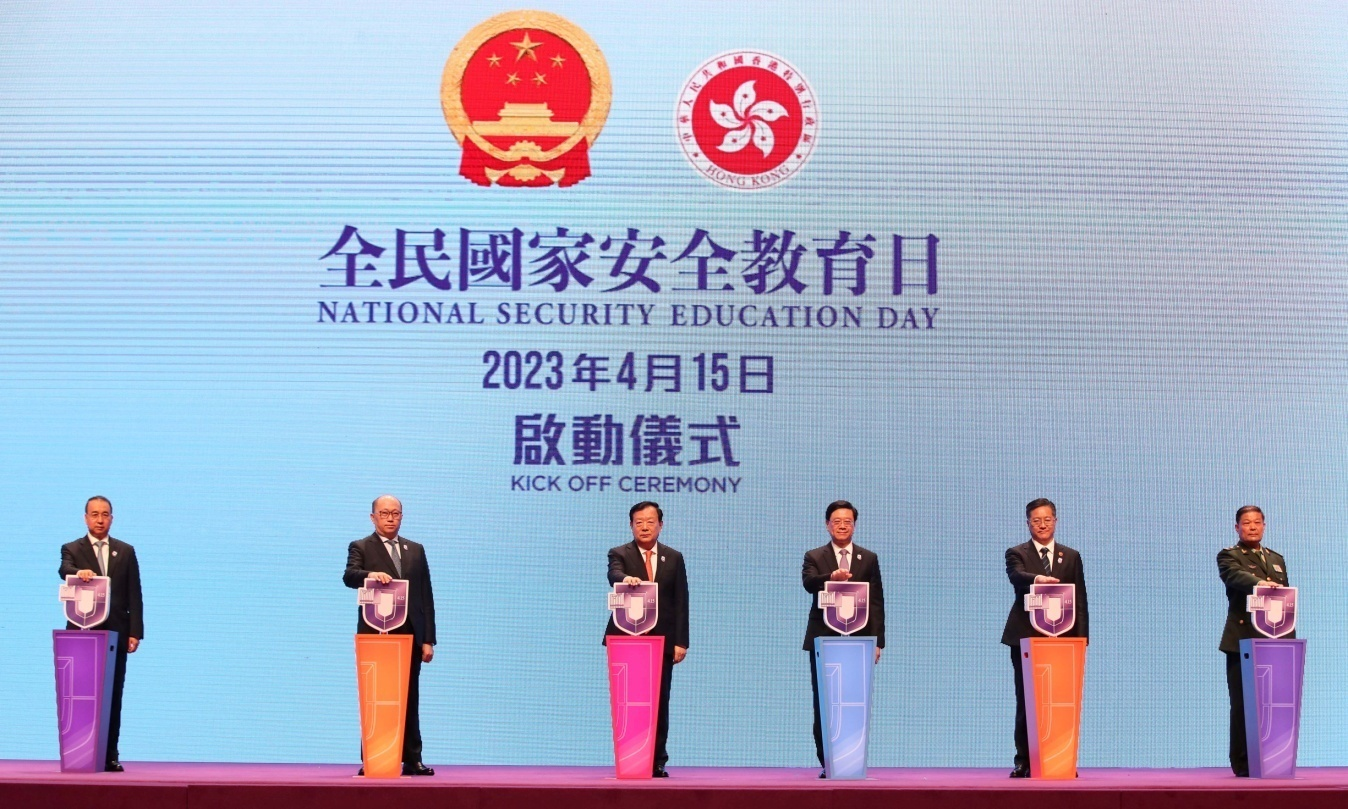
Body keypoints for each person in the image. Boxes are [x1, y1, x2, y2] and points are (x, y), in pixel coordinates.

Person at [343, 495, 436, 776]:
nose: (390, 518)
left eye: (395, 513)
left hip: (409, 636)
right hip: (376, 636)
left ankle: (413, 759)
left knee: (409, 697)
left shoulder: (415, 549)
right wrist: (371, 574)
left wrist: (428, 639)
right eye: (384, 513)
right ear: (373, 517)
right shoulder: (361, 546)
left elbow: (425, 596)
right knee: (376, 698)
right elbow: (349, 576)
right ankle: (375, 759)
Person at [1002, 497, 1089, 778]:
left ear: (1056, 521)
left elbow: (1079, 598)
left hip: (1063, 641)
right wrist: (1038, 580)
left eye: (1047, 520)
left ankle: (1059, 760)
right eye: (1036, 520)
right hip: (1026, 638)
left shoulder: (1071, 556)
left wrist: (1082, 639)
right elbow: (1016, 577)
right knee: (1027, 700)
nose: (1042, 525)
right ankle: (1024, 760)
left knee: (1060, 701)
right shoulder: (1016, 553)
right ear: (1028, 523)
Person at [58, 496, 144, 772]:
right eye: (94, 514)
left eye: (105, 514)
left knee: (112, 694)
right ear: (85, 518)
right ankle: (80, 754)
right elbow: (64, 570)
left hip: (116, 632)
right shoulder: (72, 548)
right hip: (82, 635)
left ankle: (109, 755)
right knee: (82, 696)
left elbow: (134, 593)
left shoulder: (125, 551)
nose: (99, 519)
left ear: (112, 519)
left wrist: (135, 631)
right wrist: (78, 572)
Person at [604, 501, 689, 777]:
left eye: (650, 522)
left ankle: (657, 761)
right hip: (627, 641)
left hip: (662, 641)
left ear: (660, 525)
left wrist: (681, 641)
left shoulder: (673, 557)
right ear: (631, 525)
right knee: (628, 702)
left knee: (659, 702)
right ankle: (631, 759)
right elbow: (613, 574)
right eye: (638, 522)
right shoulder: (619, 553)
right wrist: (625, 578)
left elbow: (681, 600)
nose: (644, 527)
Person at [802, 500, 885, 777]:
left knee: (853, 701)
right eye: (836, 521)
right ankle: (829, 762)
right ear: (827, 525)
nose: (842, 526)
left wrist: (878, 641)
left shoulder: (868, 558)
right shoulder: (815, 556)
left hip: (859, 642)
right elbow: (809, 583)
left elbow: (876, 602)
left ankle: (852, 761)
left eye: (847, 521)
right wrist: (831, 577)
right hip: (823, 640)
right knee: (825, 702)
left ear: (854, 526)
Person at [1217, 505, 1291, 777]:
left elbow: (1284, 599)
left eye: (1257, 522)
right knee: (1243, 704)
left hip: (1274, 641)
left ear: (1264, 526)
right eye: (1246, 523)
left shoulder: (1276, 558)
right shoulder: (1229, 556)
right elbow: (1236, 577)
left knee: (1273, 703)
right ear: (1237, 527)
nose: (1252, 527)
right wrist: (1261, 584)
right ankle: (1243, 763)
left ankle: (1274, 758)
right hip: (1242, 641)